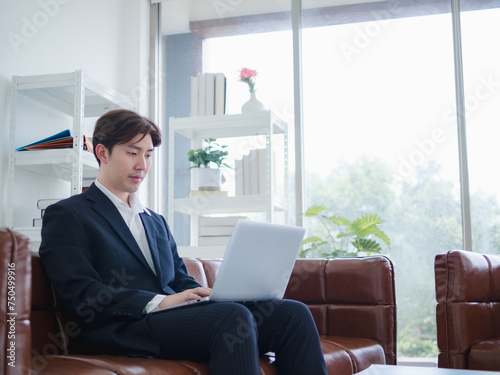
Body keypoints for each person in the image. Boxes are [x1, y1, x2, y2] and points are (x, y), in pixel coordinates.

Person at [39, 109, 327, 374]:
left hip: (171, 322)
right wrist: (161, 302)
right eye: (132, 153)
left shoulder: (155, 221)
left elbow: (177, 279)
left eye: (149, 155)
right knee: (231, 318)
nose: (142, 165)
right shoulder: (68, 214)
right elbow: (82, 295)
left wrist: (206, 294)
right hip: (121, 328)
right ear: (102, 152)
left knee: (293, 314)